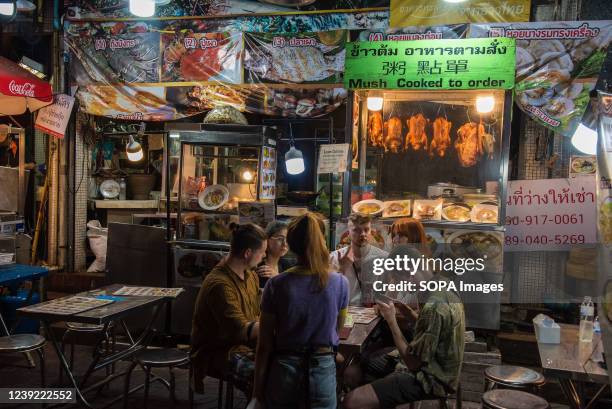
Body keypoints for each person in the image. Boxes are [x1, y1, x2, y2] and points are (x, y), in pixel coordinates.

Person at [252, 212, 349, 409]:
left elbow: (264, 345)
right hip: (322, 370)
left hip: (284, 370)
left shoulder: (276, 284)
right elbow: (336, 331)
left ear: (291, 245)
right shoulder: (340, 283)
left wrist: (257, 393)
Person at [343, 275, 465, 409]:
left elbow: (413, 363)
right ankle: (379, 396)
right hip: (443, 369)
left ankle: (374, 397)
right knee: (362, 365)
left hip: (431, 378)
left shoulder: (433, 304)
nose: (404, 284)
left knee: (351, 399)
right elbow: (432, 328)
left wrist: (391, 320)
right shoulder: (445, 286)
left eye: (403, 278)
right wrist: (407, 312)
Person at [191, 223, 267, 393]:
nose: (263, 257)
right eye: (262, 252)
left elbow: (257, 313)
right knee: (263, 377)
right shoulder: (220, 284)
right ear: (247, 253)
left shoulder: (250, 275)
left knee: (284, 366)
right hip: (219, 352)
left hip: (246, 344)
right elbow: (239, 330)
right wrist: (278, 324)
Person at [330, 213, 388, 306]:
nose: (362, 234)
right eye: (356, 230)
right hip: (345, 312)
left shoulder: (384, 258)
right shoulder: (334, 258)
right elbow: (327, 291)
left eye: (366, 230)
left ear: (371, 231)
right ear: (348, 233)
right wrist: (340, 271)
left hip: (374, 314)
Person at [256, 221, 290, 288]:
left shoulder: (287, 265)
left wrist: (277, 277)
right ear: (267, 240)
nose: (285, 244)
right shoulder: (257, 266)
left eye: (287, 239)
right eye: (280, 239)